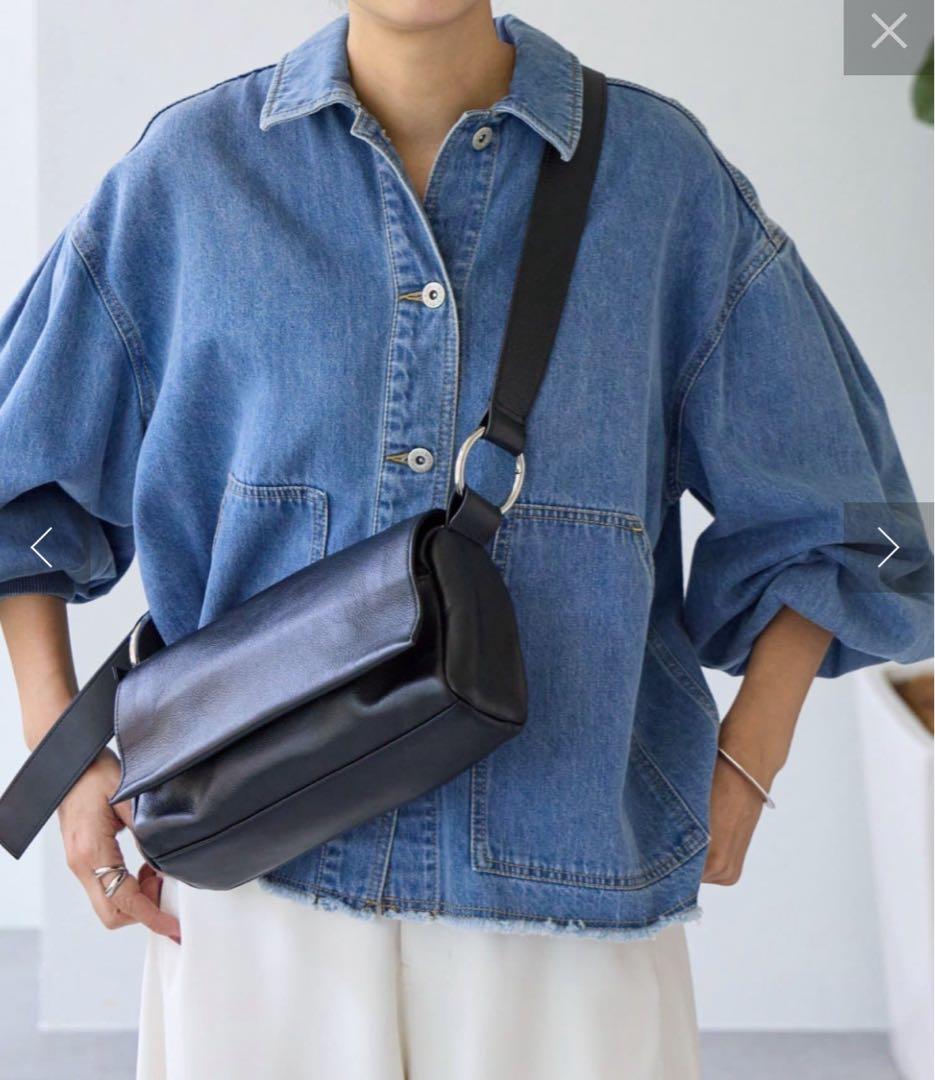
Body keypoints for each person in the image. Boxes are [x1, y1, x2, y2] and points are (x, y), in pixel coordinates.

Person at [0, 4, 931, 1078]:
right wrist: (62, 761)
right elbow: (22, 478)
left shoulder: (659, 181)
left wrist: (748, 764)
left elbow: (841, 510)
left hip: (570, 906)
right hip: (259, 896)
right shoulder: (192, 175)